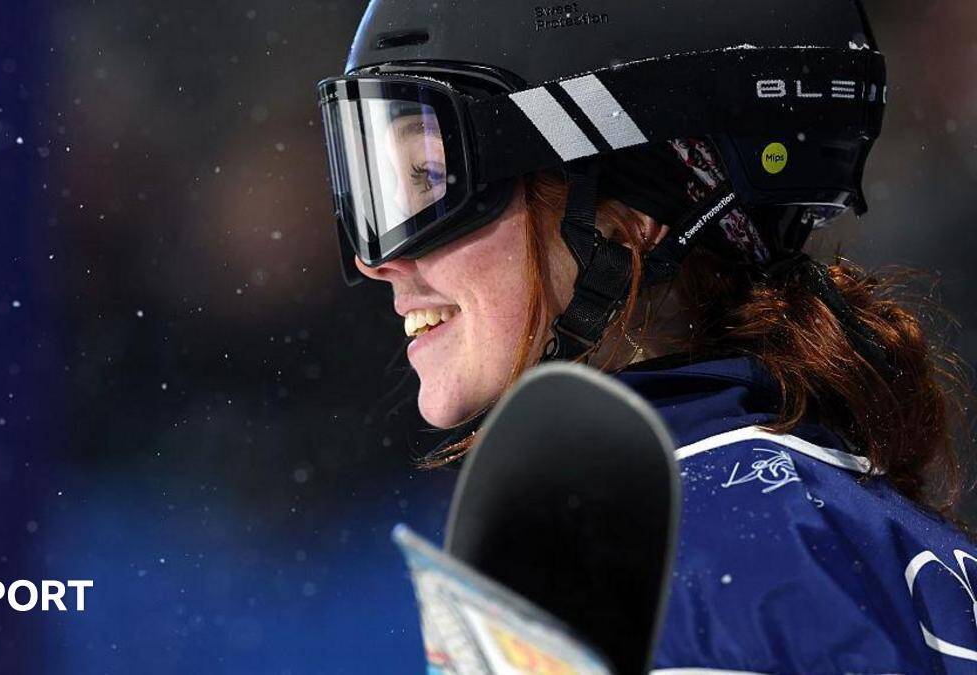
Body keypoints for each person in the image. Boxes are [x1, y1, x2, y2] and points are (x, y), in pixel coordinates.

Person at [317, 0, 977, 672]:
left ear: (629, 220)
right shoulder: (874, 533)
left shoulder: (683, 573)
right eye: (380, 189)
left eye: (431, 178)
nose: (377, 261)